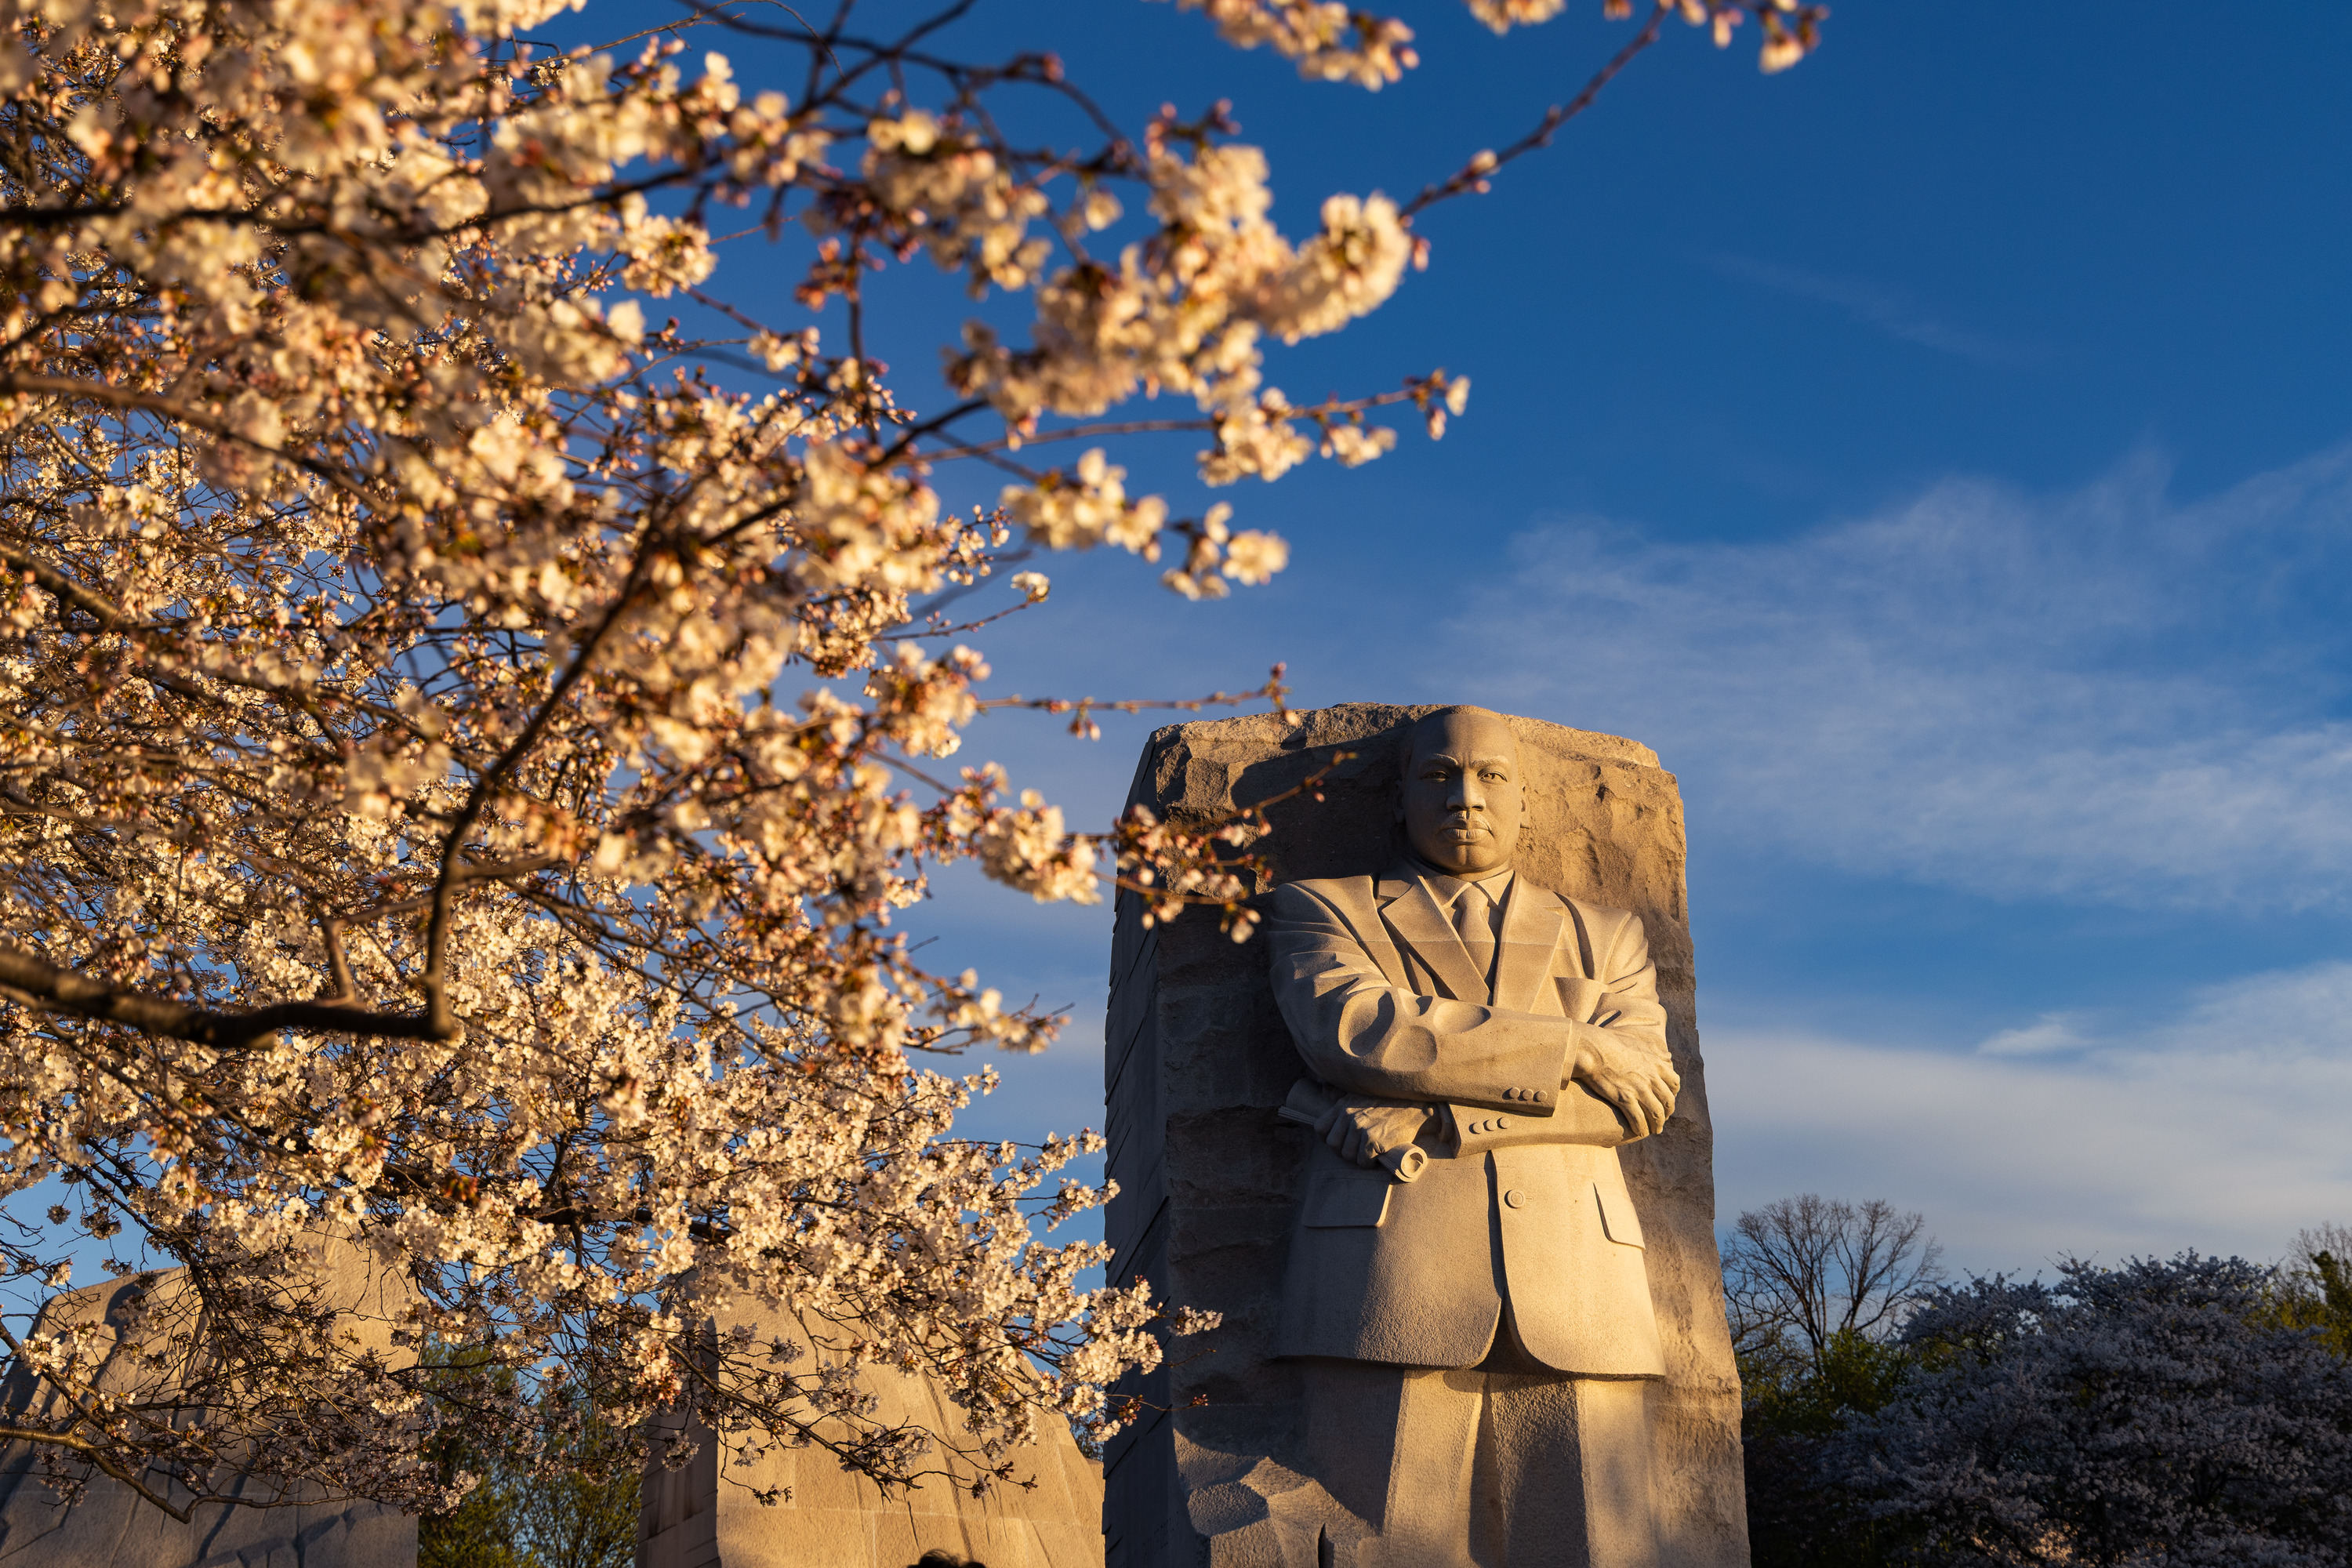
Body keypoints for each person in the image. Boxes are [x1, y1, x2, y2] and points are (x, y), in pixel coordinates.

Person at [1264, 706, 1682, 1568]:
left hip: (1581, 1279)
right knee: (1381, 1542)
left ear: (1527, 803)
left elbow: (1637, 1100)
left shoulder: (1608, 934)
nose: (1466, 795)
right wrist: (1574, 1044)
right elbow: (1362, 1029)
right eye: (1439, 774)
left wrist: (1443, 1117)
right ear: (1399, 796)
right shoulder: (1324, 909)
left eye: (1492, 776)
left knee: (1597, 1546)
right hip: (1390, 1271)